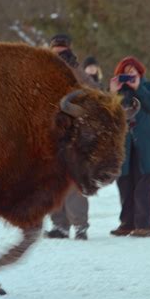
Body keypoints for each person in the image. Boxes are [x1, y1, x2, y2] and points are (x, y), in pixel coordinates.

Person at [109, 56, 150, 237]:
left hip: (146, 145)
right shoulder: (117, 92)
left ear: (140, 72)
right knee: (125, 184)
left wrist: (138, 87)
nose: (129, 74)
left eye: (133, 71)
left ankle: (145, 226)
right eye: (125, 72)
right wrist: (112, 93)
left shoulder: (149, 87)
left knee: (144, 185)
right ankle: (127, 223)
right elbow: (106, 113)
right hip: (124, 145)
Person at [45, 34, 90, 240]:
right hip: (50, 131)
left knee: (73, 182)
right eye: (56, 52)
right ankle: (59, 226)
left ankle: (80, 226)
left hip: (74, 132)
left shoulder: (76, 70)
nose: (59, 56)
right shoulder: (41, 69)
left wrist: (75, 68)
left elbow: (91, 90)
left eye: (63, 52)